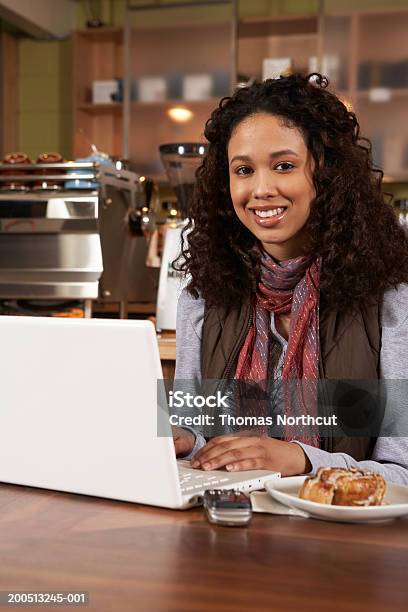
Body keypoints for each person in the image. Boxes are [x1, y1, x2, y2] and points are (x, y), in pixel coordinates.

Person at [172, 73, 408, 483]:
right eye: (243, 170)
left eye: (283, 166)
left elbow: (402, 472)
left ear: (326, 174)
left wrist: (300, 460)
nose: (261, 189)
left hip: (344, 538)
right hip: (227, 523)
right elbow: (197, 434)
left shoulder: (392, 297)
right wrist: (182, 441)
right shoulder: (203, 297)